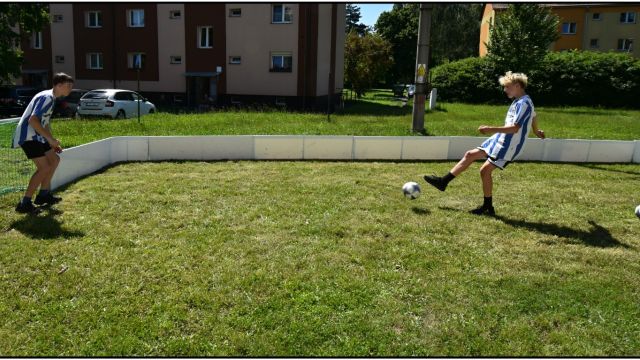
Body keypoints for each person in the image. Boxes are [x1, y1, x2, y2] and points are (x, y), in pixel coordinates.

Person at [423, 71, 545, 216]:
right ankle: (443, 182)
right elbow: (534, 116)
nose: (505, 90)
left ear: (517, 86)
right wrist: (536, 131)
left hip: (509, 146)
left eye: (507, 87)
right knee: (470, 155)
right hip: (500, 139)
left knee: (484, 171)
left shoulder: (524, 103)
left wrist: (489, 129)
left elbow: (515, 128)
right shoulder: (519, 101)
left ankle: (487, 206)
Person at [12, 72, 74, 214]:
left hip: (38, 136)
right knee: (44, 168)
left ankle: (43, 195)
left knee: (54, 160)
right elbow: (33, 120)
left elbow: (44, 123)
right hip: (28, 136)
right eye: (68, 86)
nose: (70, 89)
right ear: (58, 85)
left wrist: (51, 141)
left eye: (71, 86)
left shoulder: (51, 98)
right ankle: (24, 203)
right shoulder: (46, 97)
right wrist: (50, 140)